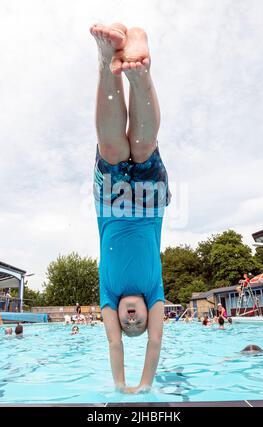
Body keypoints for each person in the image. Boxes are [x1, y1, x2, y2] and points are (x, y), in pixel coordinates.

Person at [90, 22, 171, 394]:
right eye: (141, 324)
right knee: (143, 147)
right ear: (150, 317)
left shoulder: (109, 294)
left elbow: (113, 343)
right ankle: (141, 71)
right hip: (150, 205)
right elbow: (154, 345)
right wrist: (142, 386)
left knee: (112, 150)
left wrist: (120, 384)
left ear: (118, 317)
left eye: (128, 325)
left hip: (110, 204)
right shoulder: (154, 292)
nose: (134, 323)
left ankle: (110, 62)